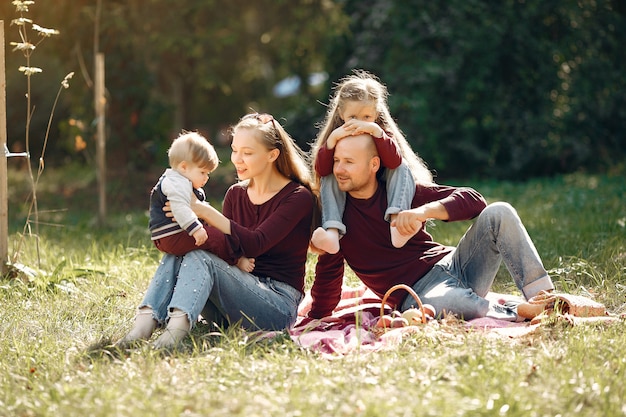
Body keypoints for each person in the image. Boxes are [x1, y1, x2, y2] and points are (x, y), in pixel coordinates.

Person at [307, 133, 554, 322]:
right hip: (418, 293)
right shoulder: (335, 220)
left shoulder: (400, 194)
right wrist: (316, 317)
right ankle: (519, 311)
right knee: (454, 304)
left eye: (348, 162)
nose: (338, 169)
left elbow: (474, 201)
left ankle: (545, 297)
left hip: (455, 264)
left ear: (374, 165)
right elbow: (329, 277)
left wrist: (423, 211)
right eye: (337, 161)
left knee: (500, 212)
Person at [119, 113, 315, 348]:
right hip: (229, 306)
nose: (237, 159)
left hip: (275, 308)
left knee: (201, 255)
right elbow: (227, 248)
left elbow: (255, 243)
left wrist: (203, 211)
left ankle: (174, 334)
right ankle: (143, 326)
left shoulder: (298, 197)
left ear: (272, 155)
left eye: (248, 153)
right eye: (234, 150)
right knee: (185, 249)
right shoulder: (235, 194)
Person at [310, 71, 432, 254]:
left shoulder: (379, 132)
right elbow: (322, 169)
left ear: (376, 114)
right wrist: (332, 141)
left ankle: (396, 222)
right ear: (342, 114)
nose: (360, 123)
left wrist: (377, 133)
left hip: (382, 186)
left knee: (401, 167)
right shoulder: (338, 136)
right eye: (353, 117)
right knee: (329, 177)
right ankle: (332, 232)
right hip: (352, 186)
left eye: (366, 117)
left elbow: (394, 161)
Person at [148, 131, 254, 271]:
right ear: (184, 167)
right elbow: (180, 209)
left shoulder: (182, 181)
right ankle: (236, 261)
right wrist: (196, 229)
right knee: (217, 238)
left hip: (174, 234)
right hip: (172, 234)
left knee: (212, 235)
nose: (206, 178)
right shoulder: (176, 183)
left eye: (208, 173)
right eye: (202, 172)